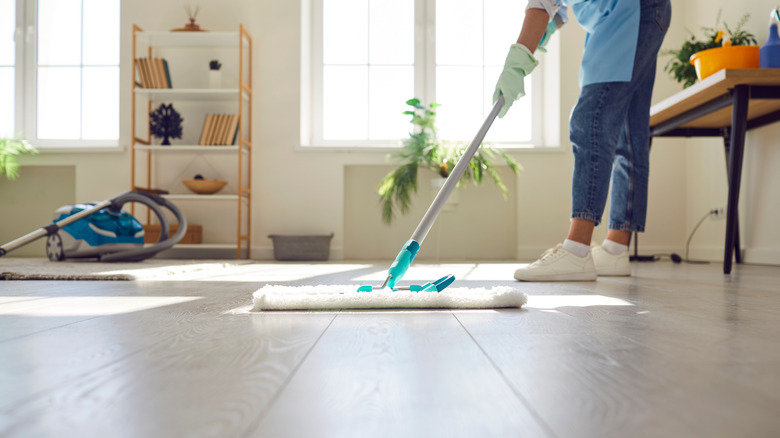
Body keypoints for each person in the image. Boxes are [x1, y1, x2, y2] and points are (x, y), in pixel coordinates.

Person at [493, 0, 671, 282]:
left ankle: (577, 249)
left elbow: (543, 4)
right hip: (642, 11)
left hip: (628, 11)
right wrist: (549, 26)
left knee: (591, 121)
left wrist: (518, 60)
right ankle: (615, 248)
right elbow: (556, 9)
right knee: (628, 129)